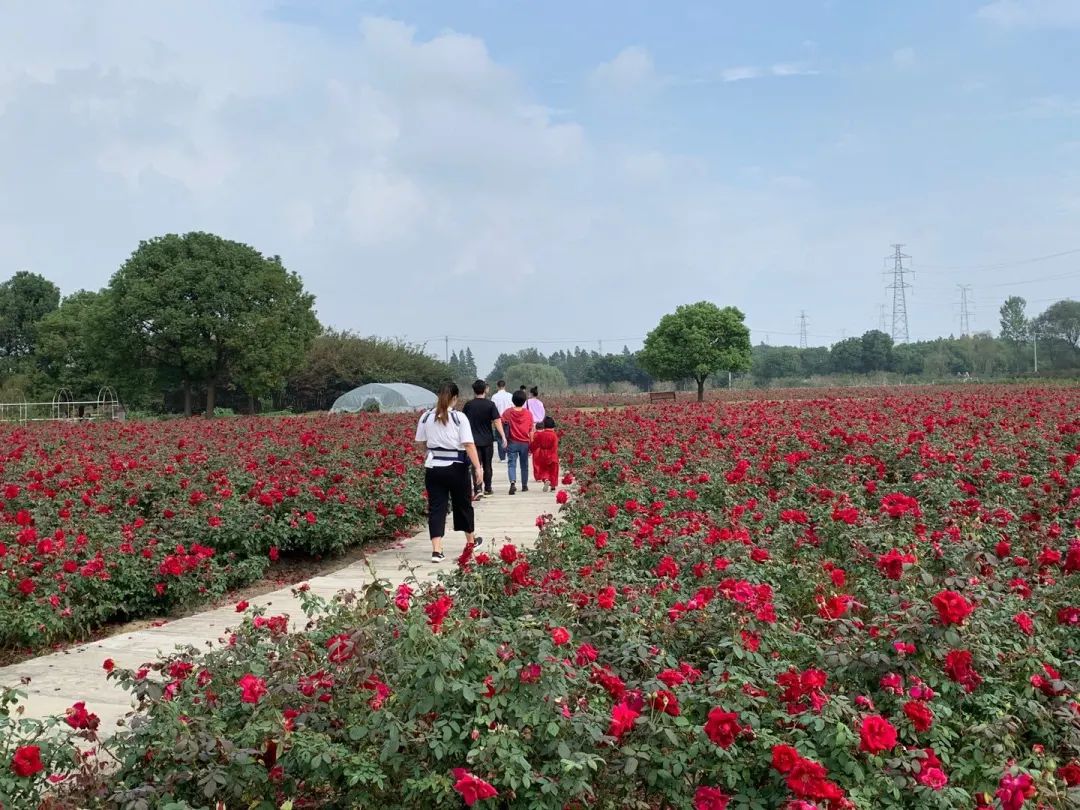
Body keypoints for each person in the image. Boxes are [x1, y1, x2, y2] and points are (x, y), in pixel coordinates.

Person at [414, 382, 484, 563]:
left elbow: (421, 442)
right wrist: (478, 467)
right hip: (456, 466)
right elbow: (468, 444)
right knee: (463, 505)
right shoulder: (459, 417)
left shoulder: (426, 416)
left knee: (437, 507)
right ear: (455, 398)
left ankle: (437, 550)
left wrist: (431, 453)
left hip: (434, 468)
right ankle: (470, 541)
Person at [463, 379, 506, 497]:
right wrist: (503, 436)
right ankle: (488, 487)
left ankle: (477, 489)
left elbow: (463, 422)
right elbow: (497, 421)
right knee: (488, 465)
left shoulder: (468, 405)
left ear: (474, 390)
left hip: (473, 441)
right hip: (487, 439)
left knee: (476, 465)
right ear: (485, 390)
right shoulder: (490, 405)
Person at [501, 389, 535, 494]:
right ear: (524, 401)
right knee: (524, 465)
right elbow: (531, 430)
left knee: (511, 464)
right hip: (525, 443)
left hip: (512, 442)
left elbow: (501, 423)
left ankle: (512, 482)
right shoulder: (528, 414)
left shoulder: (508, 412)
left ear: (513, 400)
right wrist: (531, 443)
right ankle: (524, 485)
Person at [531, 415, 560, 492]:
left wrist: (530, 450)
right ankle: (553, 487)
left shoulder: (540, 435)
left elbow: (535, 444)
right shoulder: (554, 435)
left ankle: (546, 480)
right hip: (553, 455)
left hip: (543, 454)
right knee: (554, 471)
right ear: (553, 426)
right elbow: (555, 446)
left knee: (543, 470)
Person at [490, 380, 513, 462]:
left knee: (500, 438)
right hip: (509, 420)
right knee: (508, 437)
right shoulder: (510, 395)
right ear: (505, 386)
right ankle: (509, 455)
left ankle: (502, 457)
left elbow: (492, 409)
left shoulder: (494, 396)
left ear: (497, 386)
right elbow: (513, 408)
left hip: (498, 420)